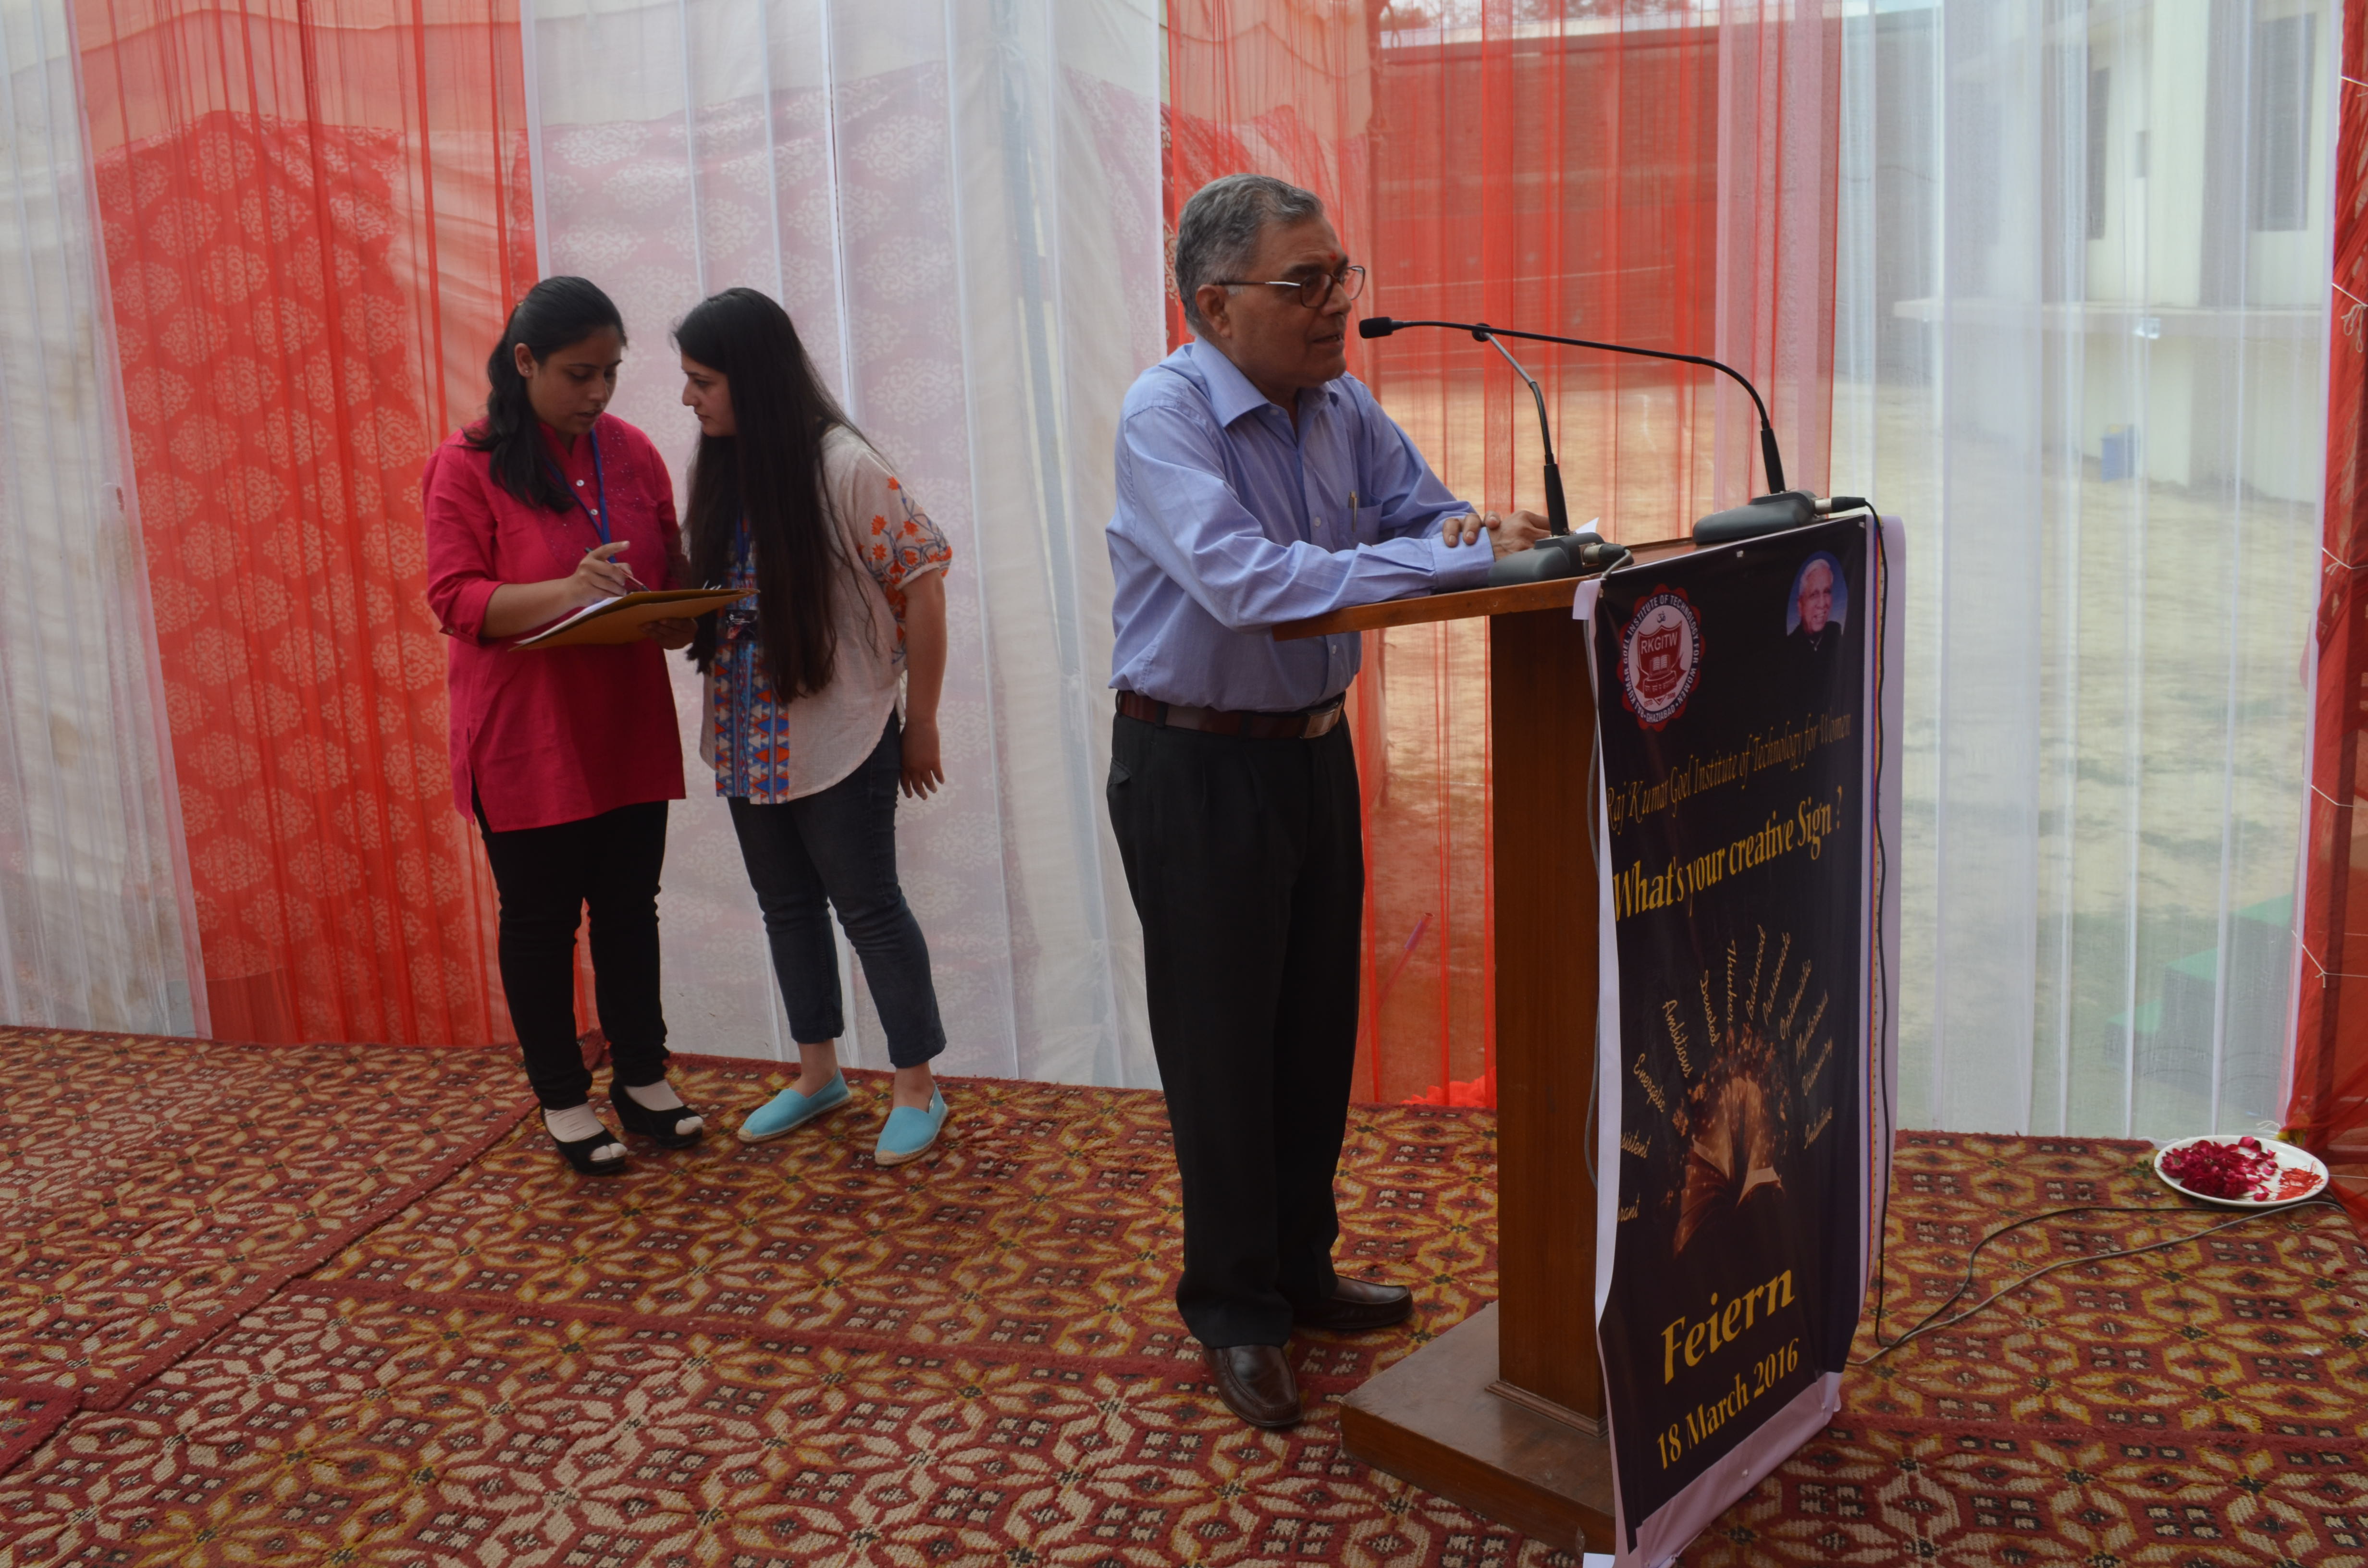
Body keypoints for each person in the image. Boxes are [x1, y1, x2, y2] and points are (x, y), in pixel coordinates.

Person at [1104, 173, 1547, 1428]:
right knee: (1222, 1047)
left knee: (1310, 1032)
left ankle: (1300, 1270)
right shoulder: (1165, 415)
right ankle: (1234, 1307)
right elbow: (1250, 583)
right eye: (1304, 284)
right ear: (1214, 304)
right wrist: (1451, 555)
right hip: (1195, 764)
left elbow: (1433, 520)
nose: (1337, 305)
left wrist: (1477, 534)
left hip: (1309, 753)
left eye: (1341, 276)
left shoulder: (1343, 405)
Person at [423, 275, 707, 1176]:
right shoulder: (466, 463)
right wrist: (568, 591)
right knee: (542, 921)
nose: (598, 393)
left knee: (630, 908)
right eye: (579, 374)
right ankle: (561, 1096)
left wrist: (679, 617)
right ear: (525, 361)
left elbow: (668, 568)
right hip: (527, 732)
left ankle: (643, 1077)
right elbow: (455, 598)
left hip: (625, 719)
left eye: (611, 373)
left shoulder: (632, 451)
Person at [671, 287, 956, 1167]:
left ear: (753, 379)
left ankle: (917, 1086)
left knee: (869, 908)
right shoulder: (723, 470)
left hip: (845, 732)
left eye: (703, 382)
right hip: (746, 733)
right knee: (786, 908)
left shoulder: (845, 466)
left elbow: (924, 588)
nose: (688, 399)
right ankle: (818, 1072)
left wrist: (922, 723)